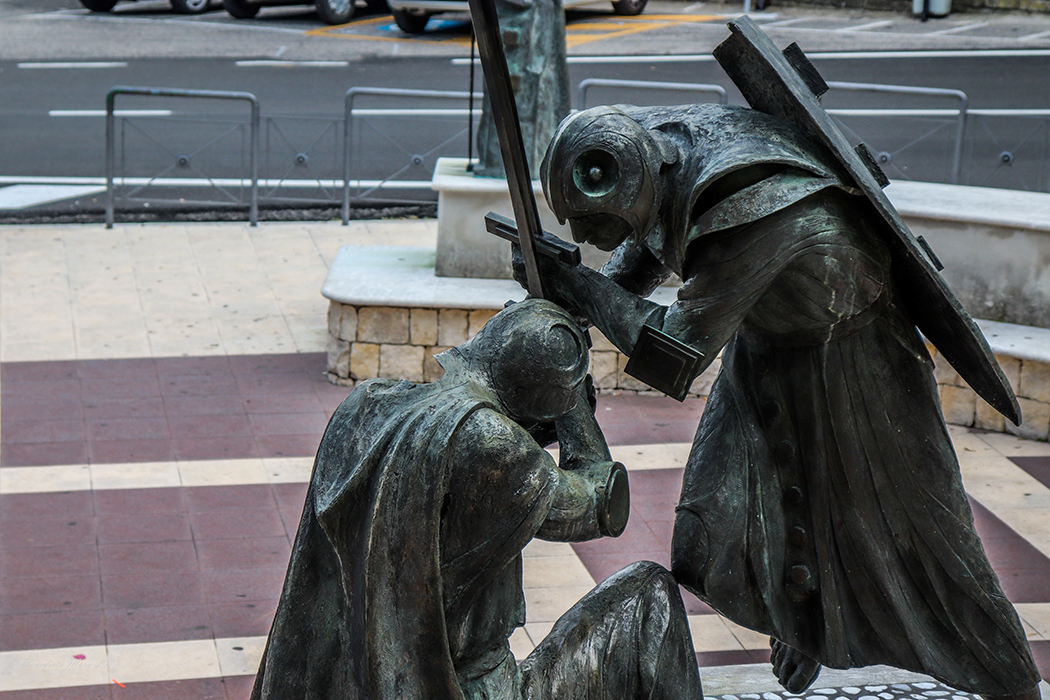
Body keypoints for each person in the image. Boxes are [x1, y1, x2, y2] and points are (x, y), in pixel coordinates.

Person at [524, 103, 1043, 699]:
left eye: (590, 226)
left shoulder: (751, 201)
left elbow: (677, 354)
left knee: (921, 541)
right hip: (768, 346)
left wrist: (576, 286)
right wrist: (570, 294)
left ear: (634, 179)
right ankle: (801, 619)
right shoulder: (657, 150)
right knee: (726, 527)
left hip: (857, 363)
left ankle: (1011, 682)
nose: (582, 240)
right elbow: (642, 251)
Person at [250, 299, 704, 700]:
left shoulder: (367, 404)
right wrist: (573, 406)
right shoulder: (492, 443)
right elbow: (602, 503)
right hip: (470, 688)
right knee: (650, 596)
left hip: (355, 681)